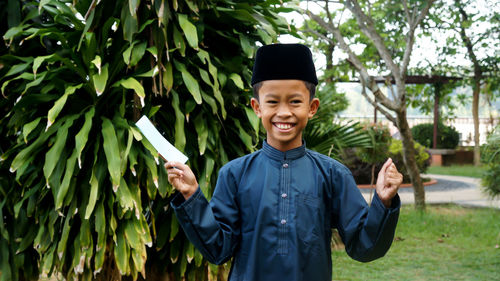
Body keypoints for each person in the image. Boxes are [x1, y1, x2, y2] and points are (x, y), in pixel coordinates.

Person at [165, 43, 403, 281]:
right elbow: (218, 249)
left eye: (295, 102)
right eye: (272, 102)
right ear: (257, 107)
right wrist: (192, 196)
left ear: (312, 108)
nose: (284, 112)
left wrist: (384, 202)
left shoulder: (332, 174)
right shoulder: (235, 174)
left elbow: (364, 246)